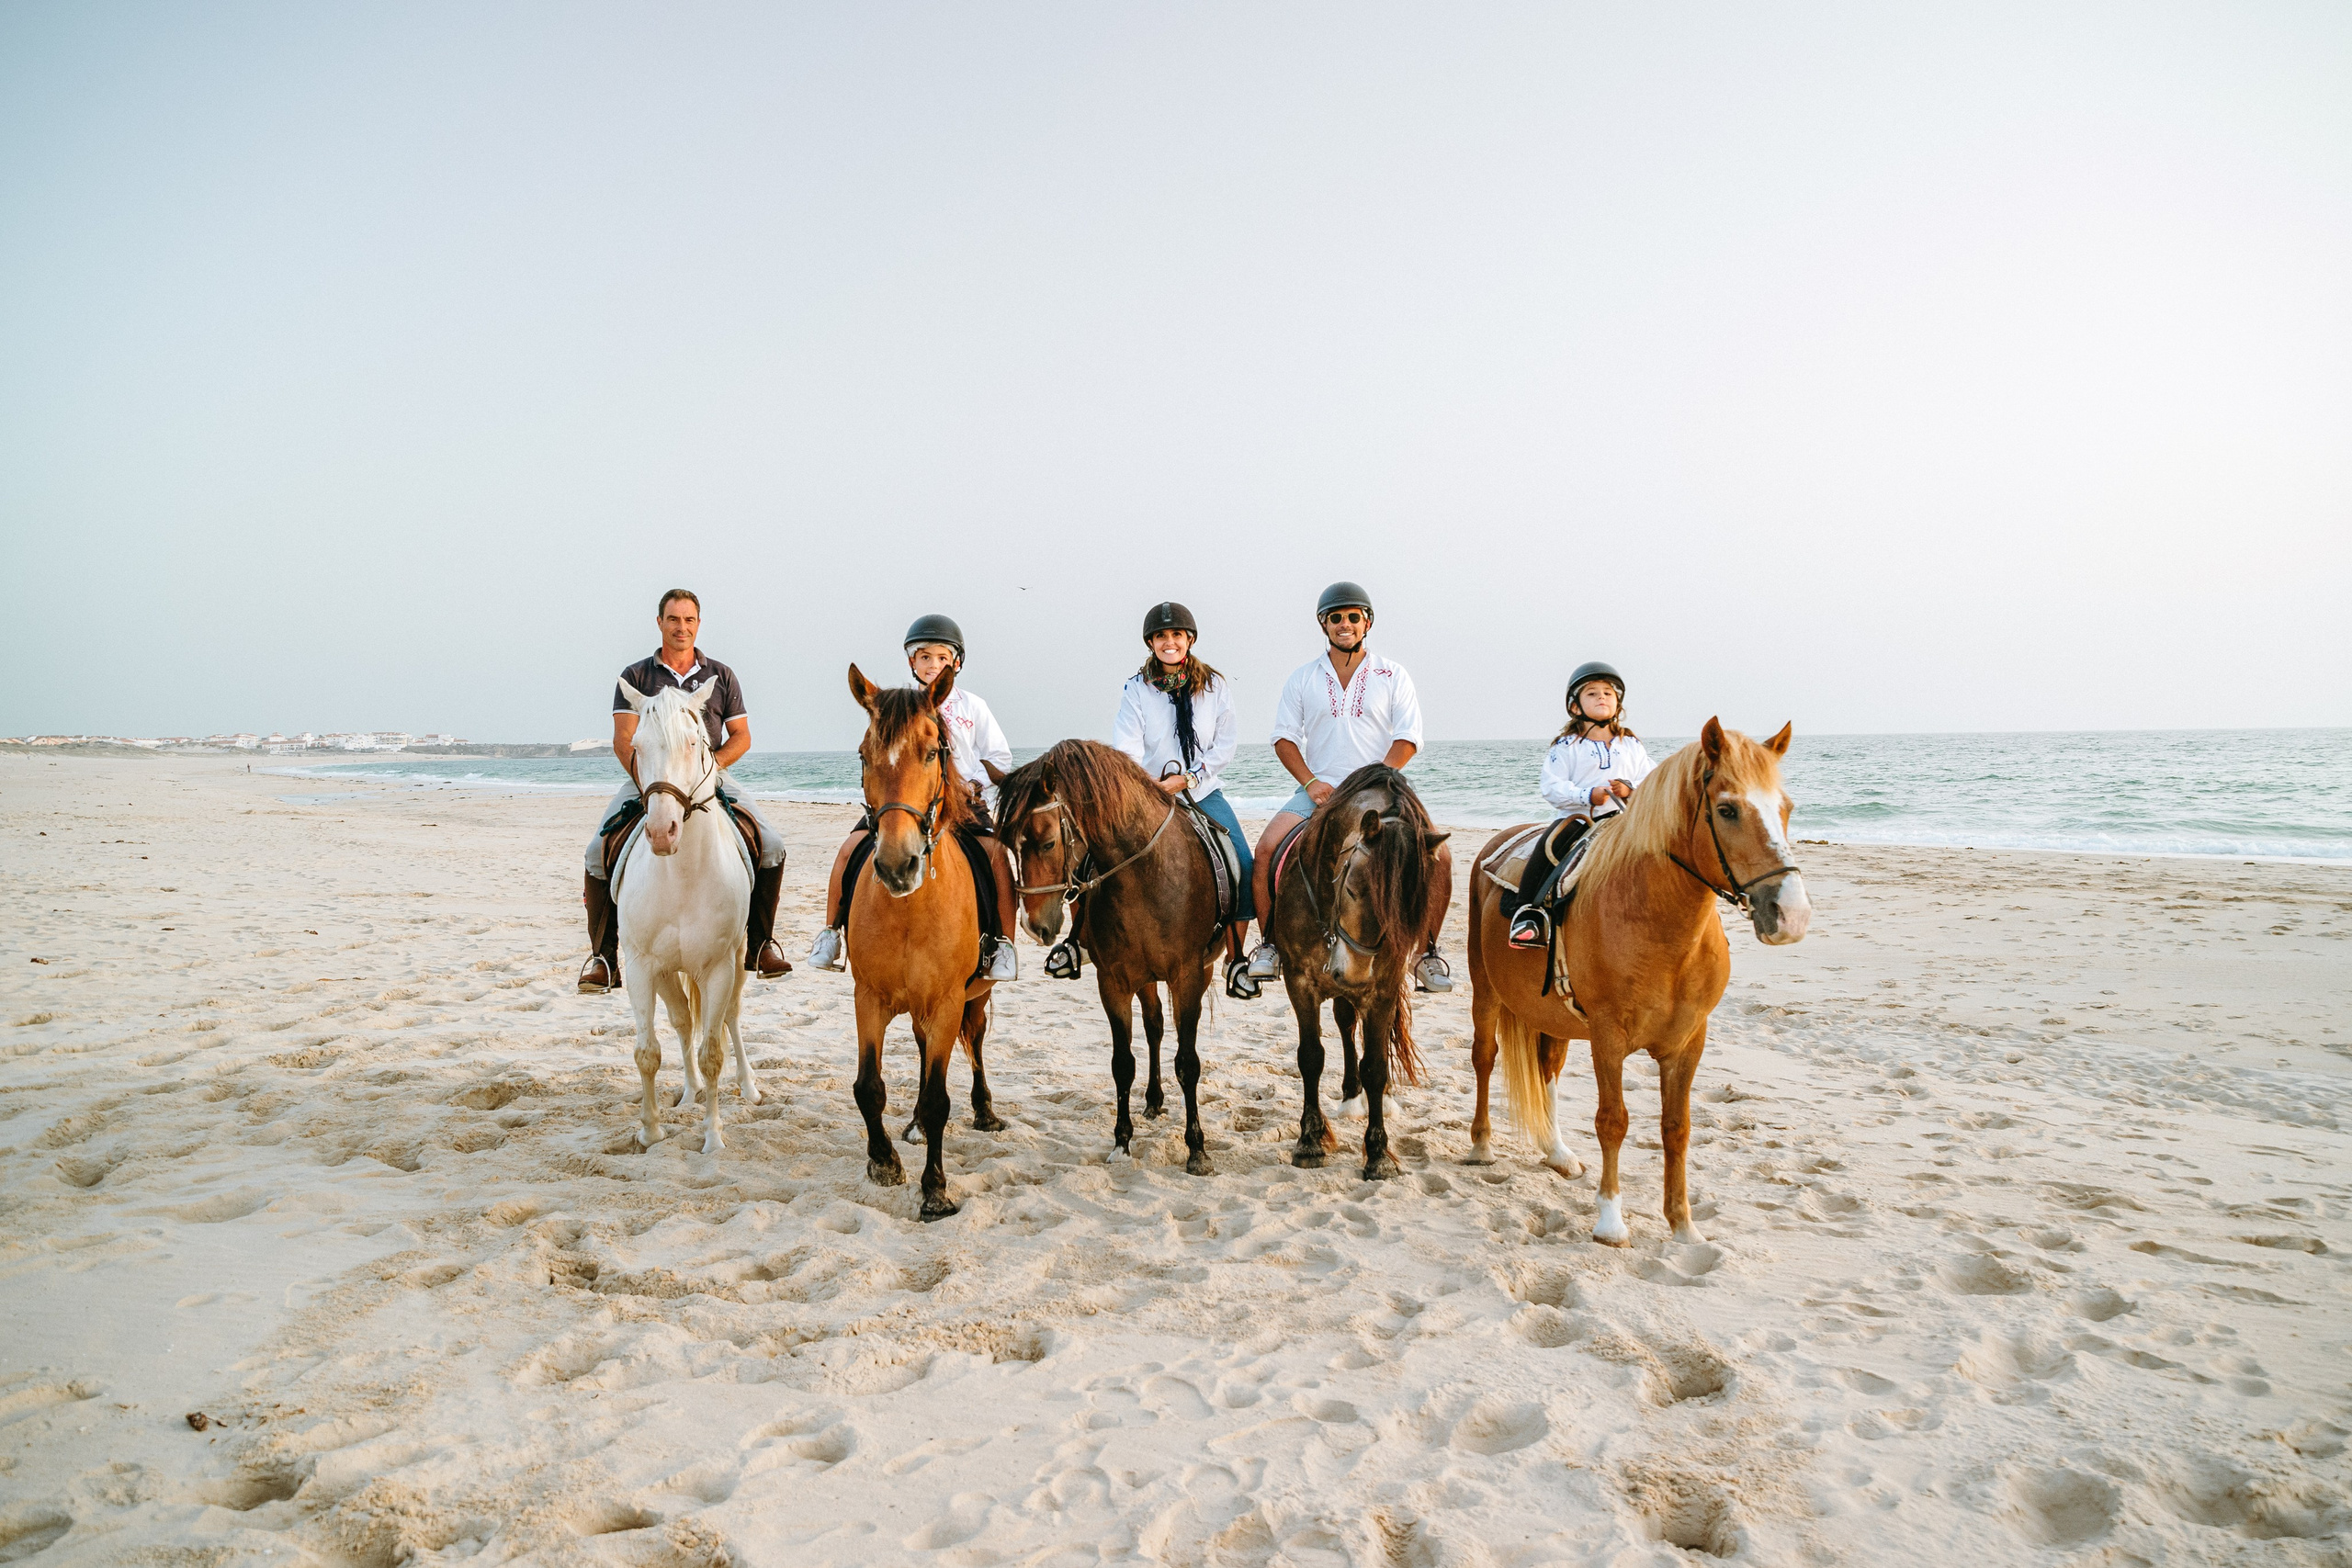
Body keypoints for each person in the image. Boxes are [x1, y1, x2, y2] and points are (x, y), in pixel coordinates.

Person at [1244, 581, 1454, 993]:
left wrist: (1375, 778)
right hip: (1320, 789)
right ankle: (1269, 943)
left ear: (1367, 622)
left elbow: (1409, 737)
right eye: (1336, 618)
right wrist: (1310, 781)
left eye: (1353, 617)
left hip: (1382, 788)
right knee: (1266, 849)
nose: (1344, 624)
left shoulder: (1392, 673)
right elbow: (1284, 738)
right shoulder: (1303, 677)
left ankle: (1426, 953)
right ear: (1324, 624)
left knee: (1440, 856)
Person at [578, 589, 790, 993]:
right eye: (673, 619)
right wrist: (651, 785)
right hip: (650, 777)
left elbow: (741, 736)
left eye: (689, 620)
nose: (681, 627)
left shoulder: (721, 675)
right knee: (595, 854)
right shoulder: (635, 677)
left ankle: (761, 944)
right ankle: (603, 958)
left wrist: (710, 771)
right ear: (660, 623)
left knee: (773, 845)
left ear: (698, 624)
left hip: (709, 776)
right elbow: (624, 739)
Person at [806, 614, 1020, 981]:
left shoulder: (973, 706)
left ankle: (1004, 943)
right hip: (906, 801)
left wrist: (973, 783)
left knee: (997, 856)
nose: (933, 664)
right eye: (924, 657)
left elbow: (1000, 757)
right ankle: (831, 932)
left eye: (941, 657)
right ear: (911, 662)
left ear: (956, 663)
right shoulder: (895, 704)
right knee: (848, 848)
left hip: (963, 801)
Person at [1113, 602, 1257, 994]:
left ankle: (1237, 957)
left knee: (1243, 861)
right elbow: (1126, 747)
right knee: (1100, 853)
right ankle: (1081, 940)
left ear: (1189, 639)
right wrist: (1149, 786)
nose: (1169, 642)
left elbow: (1225, 745)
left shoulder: (1215, 686)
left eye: (1176, 635)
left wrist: (1190, 779)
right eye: (1161, 636)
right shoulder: (1136, 688)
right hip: (1149, 792)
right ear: (1151, 643)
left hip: (1203, 789)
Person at [1509, 660, 1655, 948]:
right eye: (1591, 693)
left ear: (1618, 703)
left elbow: (1651, 779)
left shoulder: (1632, 744)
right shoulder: (1566, 746)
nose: (1601, 697)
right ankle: (1528, 912)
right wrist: (1588, 795)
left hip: (1625, 819)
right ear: (1575, 706)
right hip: (1580, 820)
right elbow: (1552, 787)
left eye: (1608, 693)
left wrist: (1631, 788)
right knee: (1549, 846)